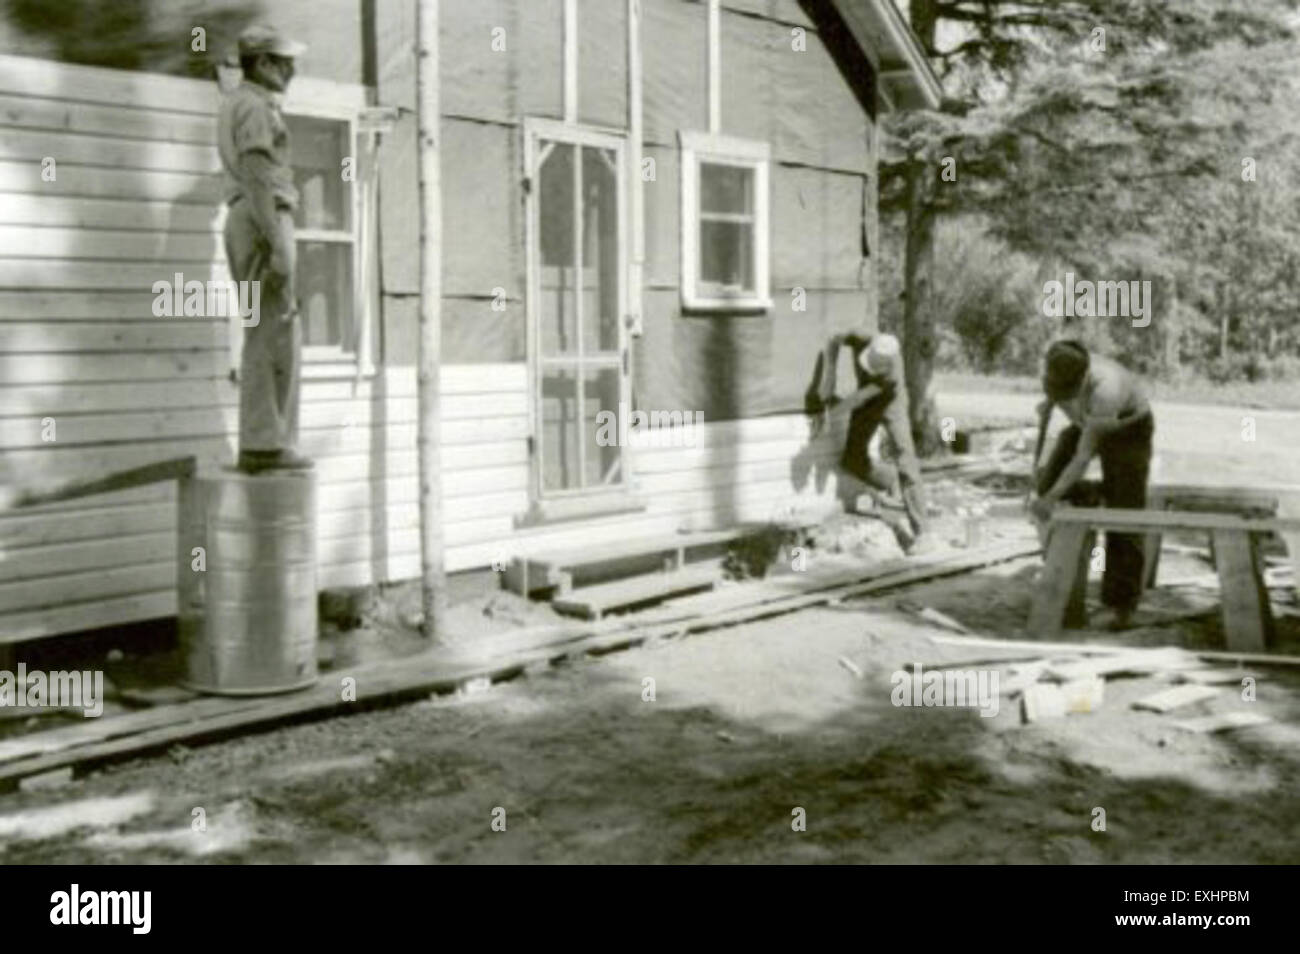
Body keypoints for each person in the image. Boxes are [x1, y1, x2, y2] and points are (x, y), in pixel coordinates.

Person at [218, 24, 312, 474]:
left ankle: (267, 439)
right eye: (283, 61)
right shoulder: (255, 106)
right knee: (274, 328)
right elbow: (257, 174)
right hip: (262, 216)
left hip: (250, 217)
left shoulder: (237, 102)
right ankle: (265, 443)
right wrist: (276, 241)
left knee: (269, 326)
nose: (291, 70)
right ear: (262, 63)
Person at [1030, 339, 1155, 630]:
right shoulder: (1057, 364)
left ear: (1083, 378)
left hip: (1127, 429)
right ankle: (1098, 491)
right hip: (1086, 423)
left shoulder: (1106, 389)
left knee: (1124, 515)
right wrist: (1048, 405)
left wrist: (1051, 501)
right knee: (1046, 484)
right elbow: (1052, 399)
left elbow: (1082, 457)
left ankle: (1121, 605)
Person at [808, 332, 930, 551]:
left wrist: (829, 411)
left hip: (890, 402)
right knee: (851, 460)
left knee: (905, 457)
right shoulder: (861, 336)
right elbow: (833, 339)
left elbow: (858, 399)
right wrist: (830, 375)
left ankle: (923, 533)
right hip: (867, 398)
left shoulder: (889, 376)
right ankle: (890, 480)